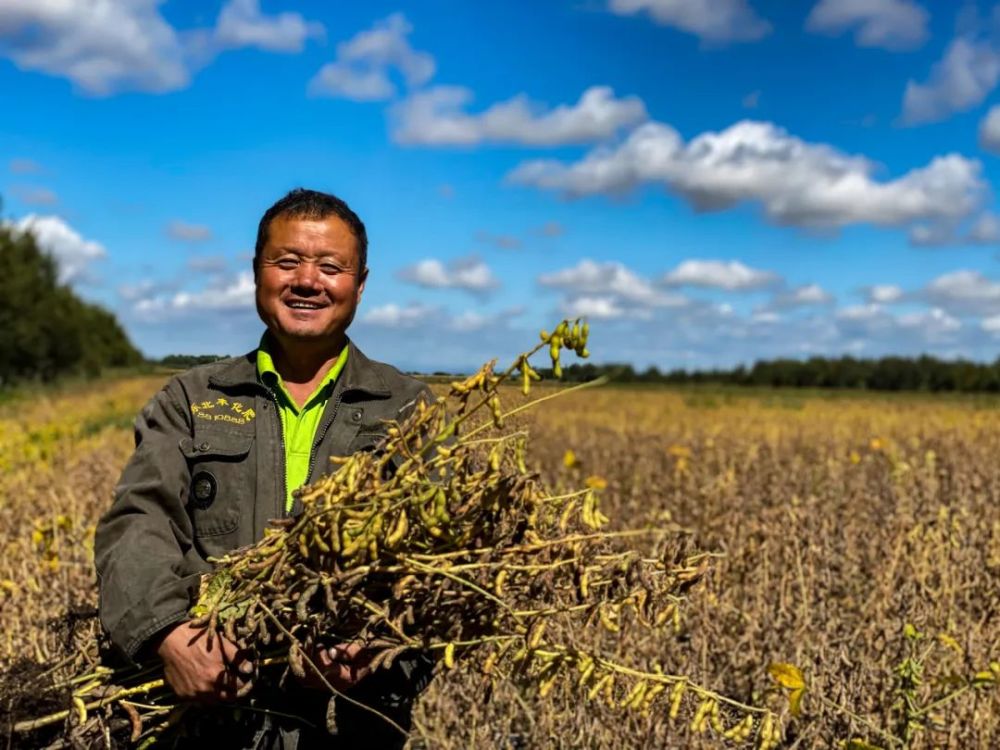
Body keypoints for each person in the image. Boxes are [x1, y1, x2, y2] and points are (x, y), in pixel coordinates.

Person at [94, 188, 433, 748]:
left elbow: (443, 562)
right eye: (287, 262)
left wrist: (377, 648)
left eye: (331, 266)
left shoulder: (410, 409)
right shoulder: (192, 398)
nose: (307, 281)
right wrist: (168, 634)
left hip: (352, 721)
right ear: (256, 272)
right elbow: (139, 520)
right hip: (208, 718)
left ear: (361, 283)